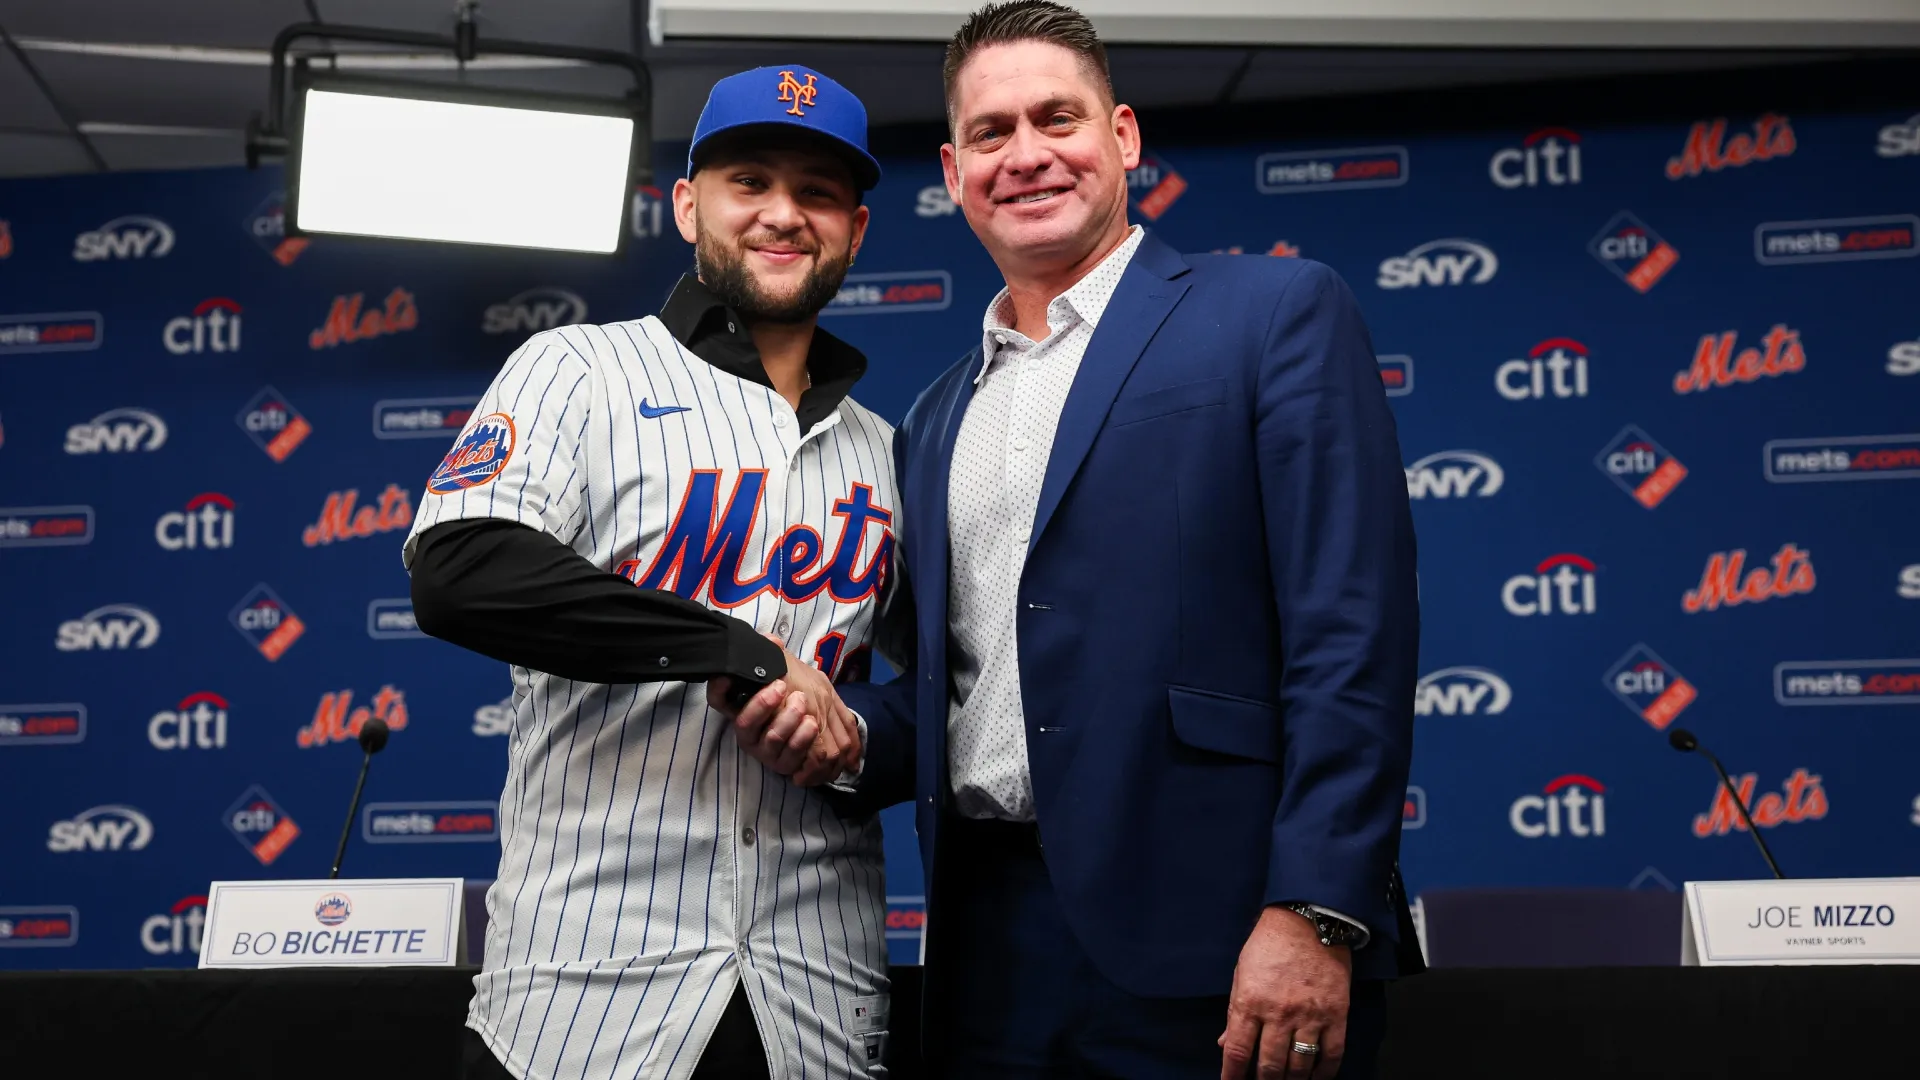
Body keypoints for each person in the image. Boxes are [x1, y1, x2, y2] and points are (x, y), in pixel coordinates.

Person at [724, 4, 1422, 1077]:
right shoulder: (936, 415)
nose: (1028, 154)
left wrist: (1316, 910)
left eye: (1059, 118)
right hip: (985, 948)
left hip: (1225, 940)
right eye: (993, 133)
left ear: (1125, 137)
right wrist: (845, 730)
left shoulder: (1275, 311)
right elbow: (965, 688)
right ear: (955, 174)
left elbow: (1352, 629)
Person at [405, 63, 898, 1080]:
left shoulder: (888, 453)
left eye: (816, 192)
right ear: (687, 206)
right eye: (749, 181)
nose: (782, 214)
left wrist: (852, 741)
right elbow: (460, 564)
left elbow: (952, 701)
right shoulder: (579, 369)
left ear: (855, 227)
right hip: (583, 992)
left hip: (814, 998)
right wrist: (737, 650)